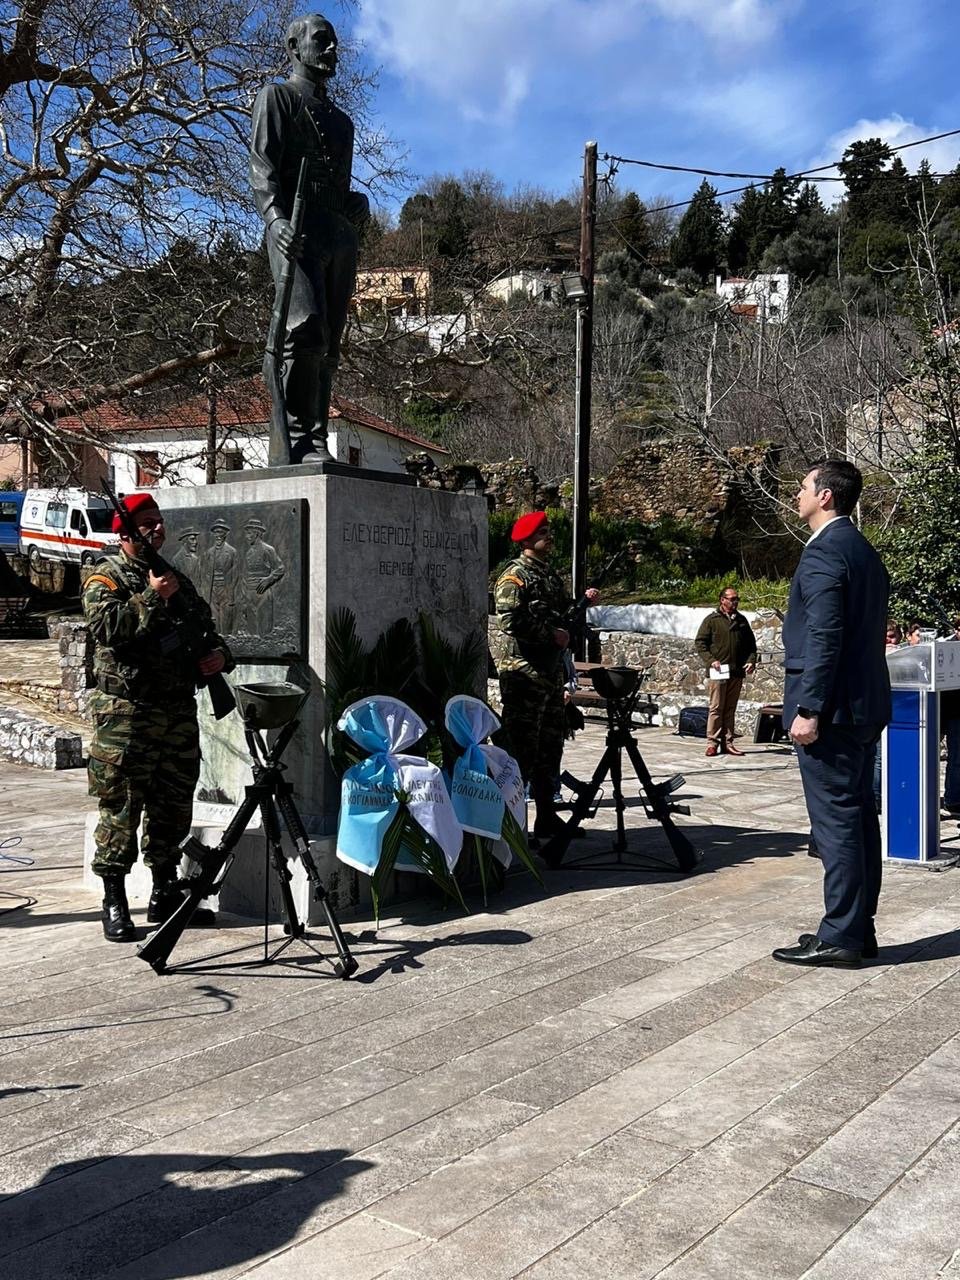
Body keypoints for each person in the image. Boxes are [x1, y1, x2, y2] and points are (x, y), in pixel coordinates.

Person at [83, 493, 234, 941]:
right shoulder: (105, 577)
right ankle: (114, 898)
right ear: (125, 532)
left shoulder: (176, 579)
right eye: (147, 524)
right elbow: (109, 629)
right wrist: (151, 596)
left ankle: (164, 890)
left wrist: (220, 657)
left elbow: (206, 629)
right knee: (122, 806)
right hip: (127, 716)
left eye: (159, 522)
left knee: (172, 805)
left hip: (176, 712)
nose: (157, 530)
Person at [773, 460, 891, 969]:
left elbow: (824, 636)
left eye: (802, 487)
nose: (796, 494)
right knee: (860, 819)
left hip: (834, 713)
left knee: (837, 824)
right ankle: (856, 928)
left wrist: (808, 708)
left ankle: (841, 933)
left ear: (825, 497)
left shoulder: (825, 553)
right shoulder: (864, 551)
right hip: (864, 708)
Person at [249, 12, 369, 465]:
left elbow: (337, 183)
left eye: (335, 41)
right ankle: (298, 439)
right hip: (294, 232)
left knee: (331, 343)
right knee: (305, 333)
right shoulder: (276, 98)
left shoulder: (343, 123)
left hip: (337, 233)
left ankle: (316, 437)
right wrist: (275, 220)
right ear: (295, 48)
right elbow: (262, 167)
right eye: (322, 39)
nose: (331, 48)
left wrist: (357, 204)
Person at [494, 511, 599, 838]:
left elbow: (560, 615)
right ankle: (508, 825)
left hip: (549, 674)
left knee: (549, 748)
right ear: (526, 540)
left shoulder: (549, 575)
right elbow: (508, 621)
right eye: (543, 532)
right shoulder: (515, 577)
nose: (549, 536)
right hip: (525, 674)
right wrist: (548, 634)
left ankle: (546, 818)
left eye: (549, 531)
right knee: (520, 751)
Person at [694, 586, 758, 757]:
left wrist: (751, 661)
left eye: (737, 599)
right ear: (722, 600)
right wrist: (711, 660)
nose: (735, 602)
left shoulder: (742, 621)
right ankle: (712, 743)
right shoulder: (712, 620)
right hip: (718, 669)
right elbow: (700, 643)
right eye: (731, 598)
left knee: (730, 708)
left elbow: (751, 646)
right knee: (716, 707)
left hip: (736, 670)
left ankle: (728, 742)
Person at [236, 518, 285, 635]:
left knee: (264, 627)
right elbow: (245, 574)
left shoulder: (268, 549)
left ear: (256, 533)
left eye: (249, 533)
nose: (246, 536)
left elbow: (280, 568)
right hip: (250, 592)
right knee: (252, 628)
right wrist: (244, 595)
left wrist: (268, 580)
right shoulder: (248, 552)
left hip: (263, 592)